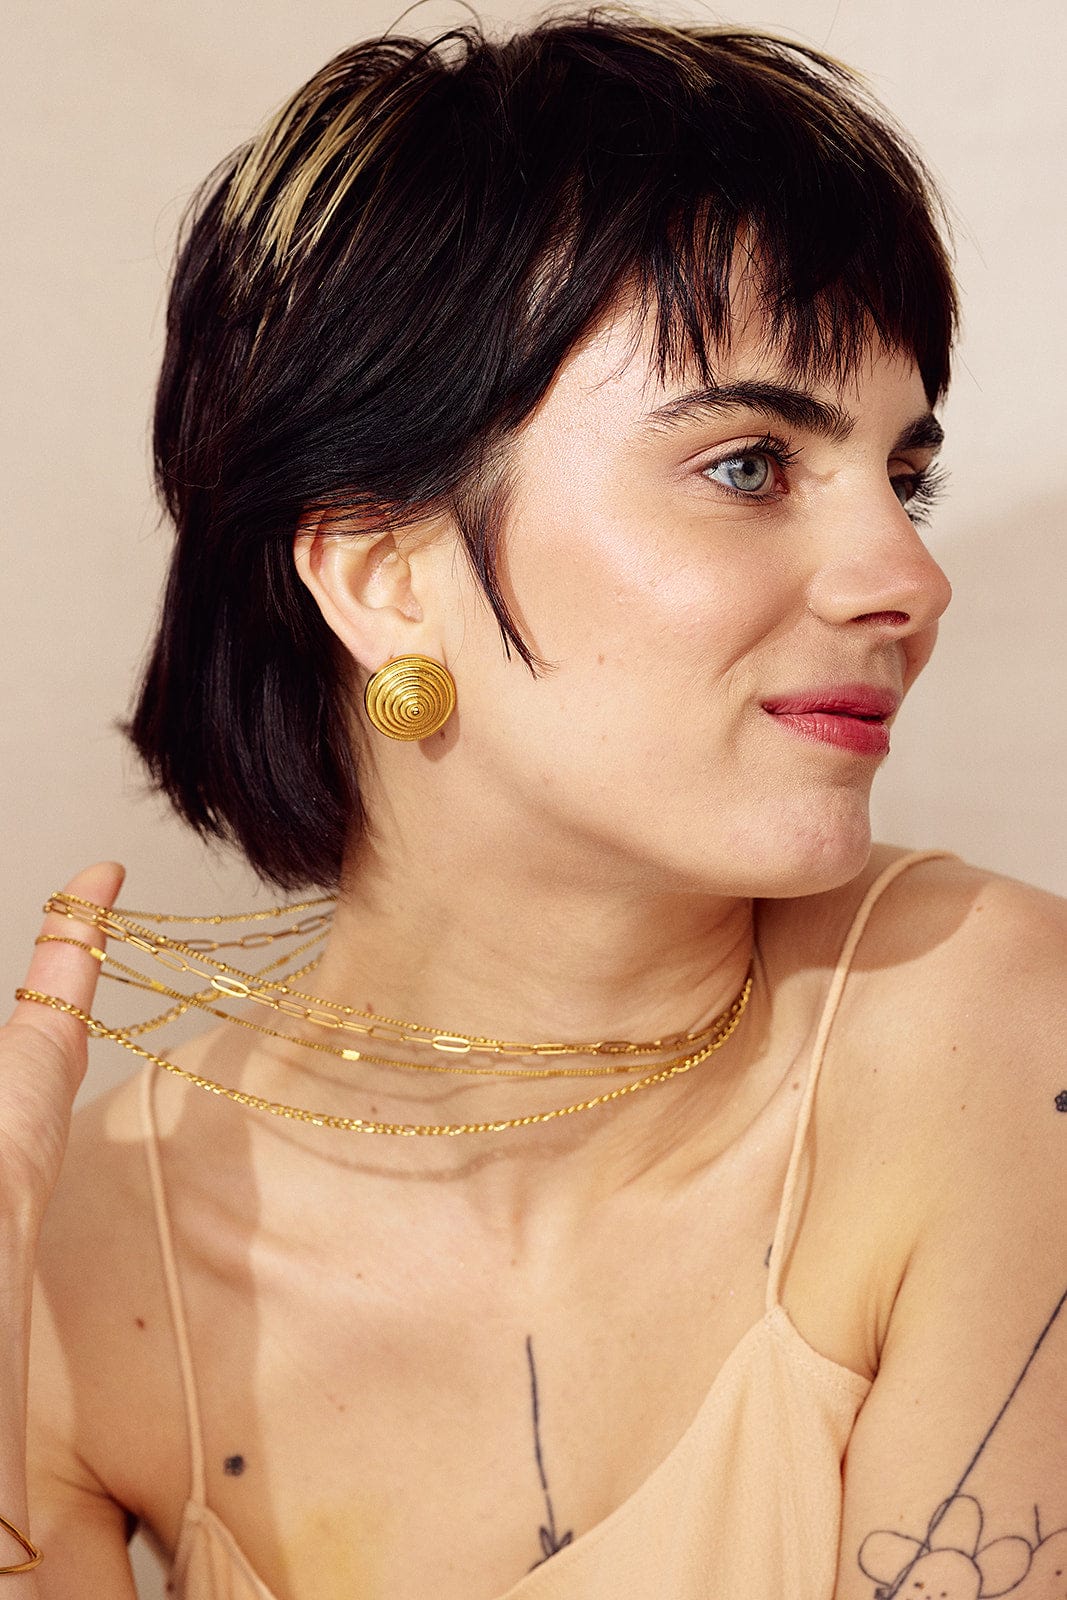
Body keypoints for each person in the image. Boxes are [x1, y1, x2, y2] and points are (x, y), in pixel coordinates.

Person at [3, 12, 1065, 1599]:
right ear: (383, 574)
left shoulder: (980, 1030)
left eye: (902, 479)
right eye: (751, 464)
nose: (908, 580)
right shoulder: (74, 1261)